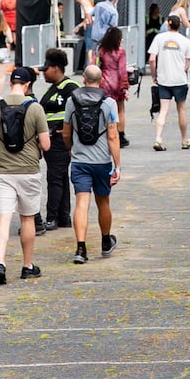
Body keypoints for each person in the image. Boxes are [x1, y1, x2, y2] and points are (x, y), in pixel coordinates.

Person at [0, 66, 49, 283]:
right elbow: (45, 145)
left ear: (11, 83)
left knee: (3, 218)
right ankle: (27, 265)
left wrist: (0, 139)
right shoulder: (36, 108)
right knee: (27, 218)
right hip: (28, 170)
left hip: (4, 171)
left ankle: (0, 261)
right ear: (28, 85)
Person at [64, 65, 121, 265]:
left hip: (80, 161)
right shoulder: (109, 103)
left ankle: (81, 248)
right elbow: (113, 135)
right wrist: (118, 165)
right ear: (101, 80)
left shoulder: (72, 101)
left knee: (81, 203)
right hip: (102, 161)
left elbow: (66, 132)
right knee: (103, 202)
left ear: (84, 80)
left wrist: (71, 149)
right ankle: (106, 241)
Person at [37, 49, 79, 233]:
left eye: (46, 69)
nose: (43, 73)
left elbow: (78, 112)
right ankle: (63, 217)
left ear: (56, 68)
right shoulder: (52, 89)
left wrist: (68, 131)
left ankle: (52, 217)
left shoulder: (70, 87)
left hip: (60, 141)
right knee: (59, 177)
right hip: (52, 140)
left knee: (54, 177)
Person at [147, 15, 190, 150]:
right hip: (179, 80)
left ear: (168, 24)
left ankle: (158, 139)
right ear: (180, 25)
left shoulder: (159, 38)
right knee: (181, 109)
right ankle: (184, 140)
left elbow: (151, 59)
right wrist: (181, 70)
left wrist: (154, 74)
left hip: (163, 79)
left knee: (163, 110)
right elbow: (187, 64)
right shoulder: (185, 41)